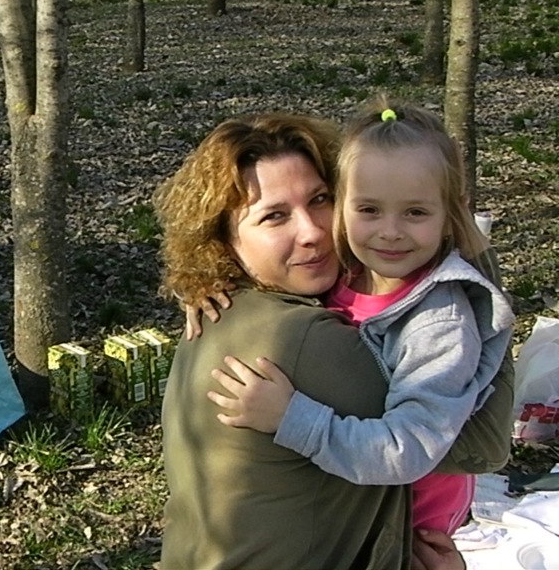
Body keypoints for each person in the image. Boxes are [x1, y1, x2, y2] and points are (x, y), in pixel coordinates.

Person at [153, 112, 472, 570]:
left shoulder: (229, 312)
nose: (313, 232)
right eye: (274, 216)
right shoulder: (303, 340)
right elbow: (473, 442)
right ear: (222, 240)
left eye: (320, 200)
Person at [201, 97, 515, 535]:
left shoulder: (438, 322)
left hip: (410, 522)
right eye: (368, 210)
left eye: (416, 212)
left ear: (453, 213)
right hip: (355, 495)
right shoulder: (349, 268)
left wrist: (290, 418)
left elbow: (405, 450)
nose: (390, 232)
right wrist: (202, 283)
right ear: (343, 204)